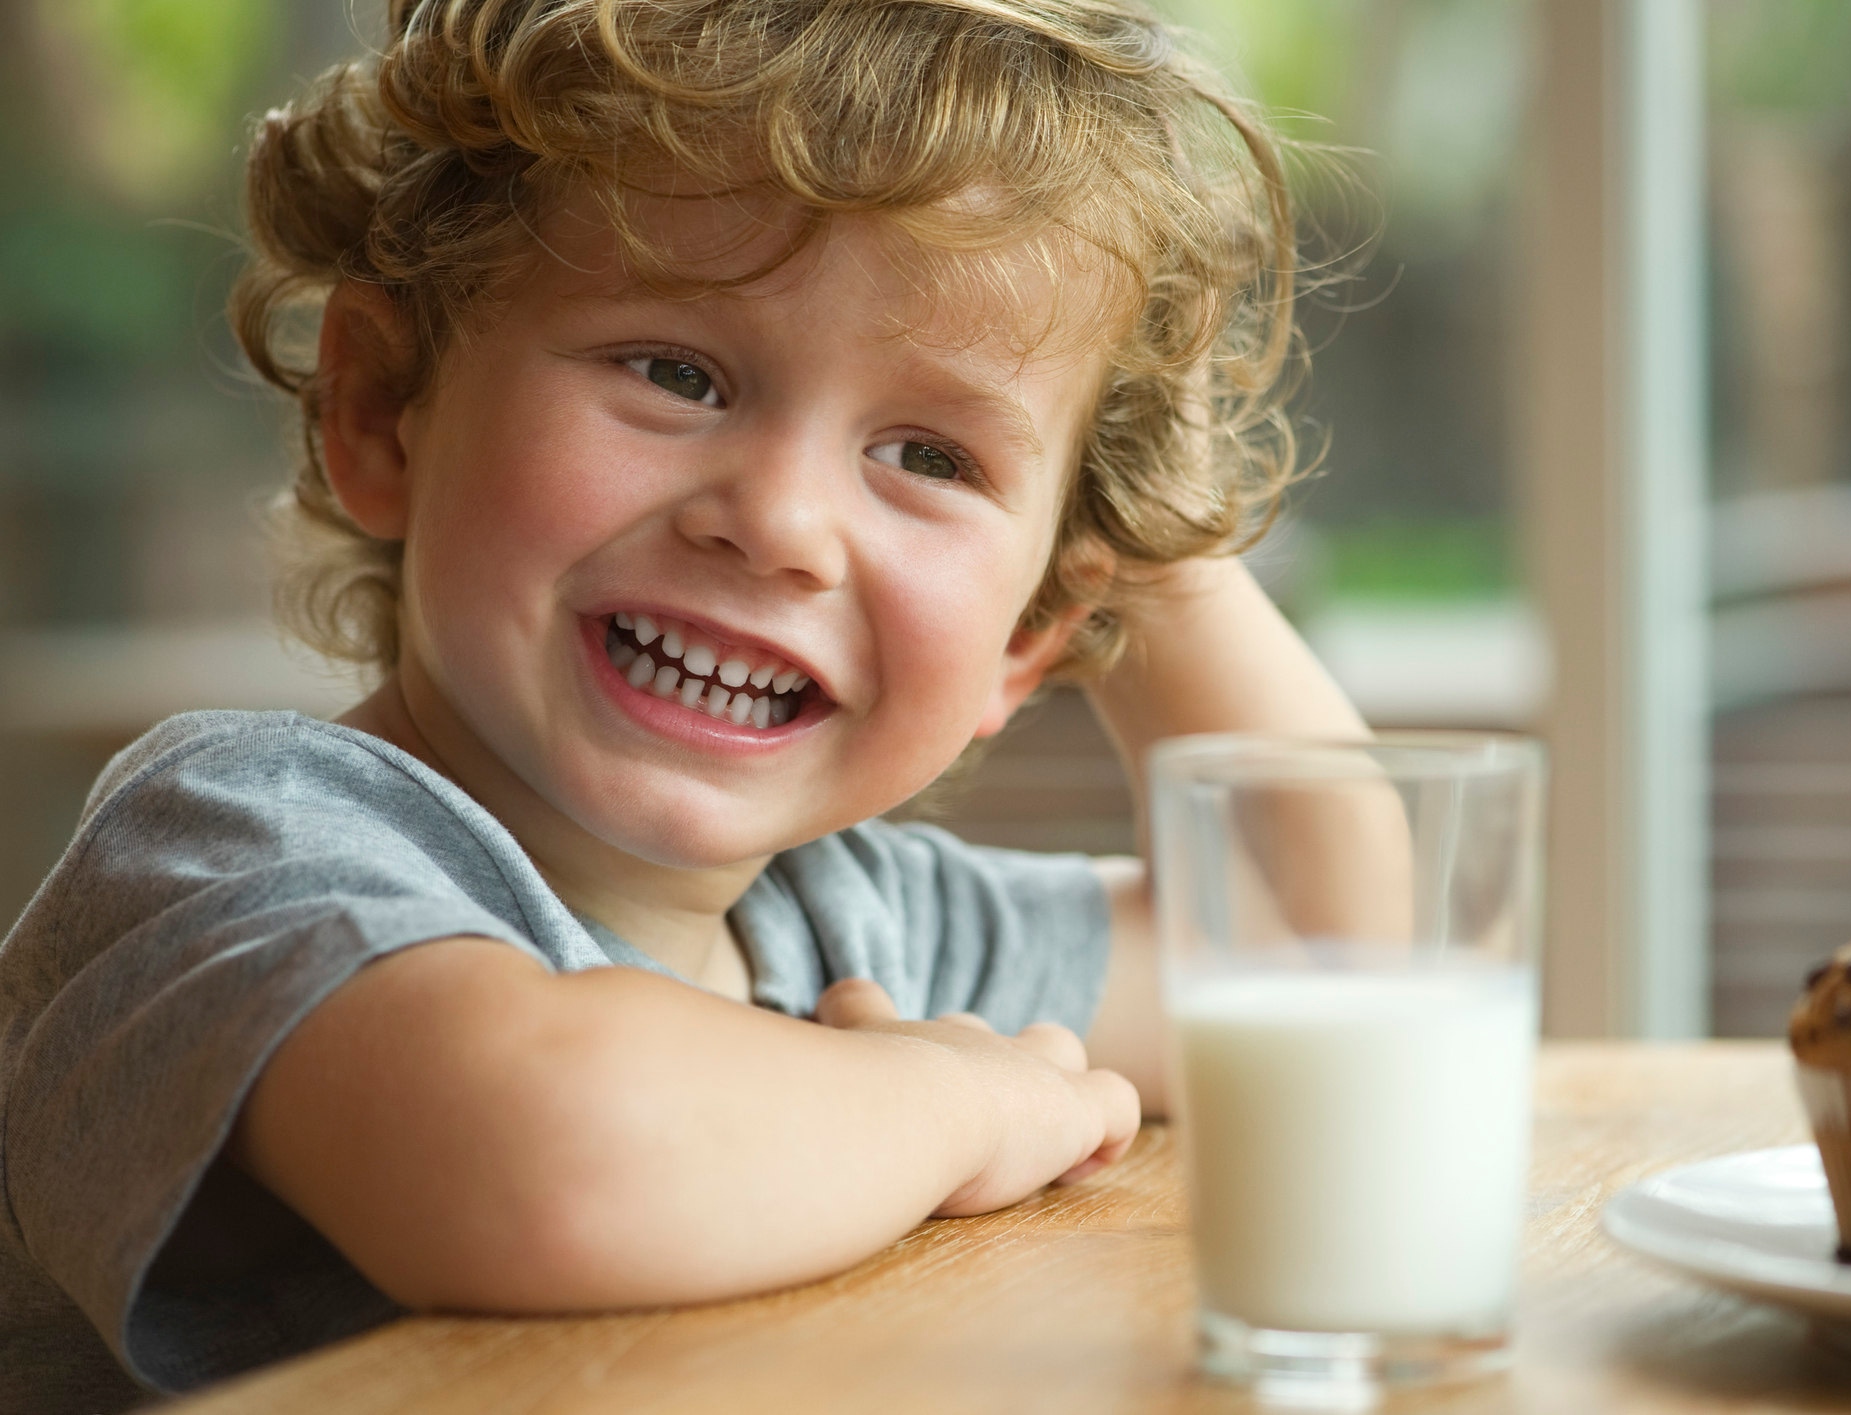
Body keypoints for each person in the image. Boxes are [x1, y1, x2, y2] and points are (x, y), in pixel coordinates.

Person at [0, 0, 1368, 1408]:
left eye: (930, 456)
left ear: (1025, 642)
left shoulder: (855, 927)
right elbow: (554, 1160)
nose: (779, 523)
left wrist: (1155, 544)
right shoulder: (238, 848)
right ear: (379, 408)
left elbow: (1320, 954)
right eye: (676, 373)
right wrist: (965, 1103)